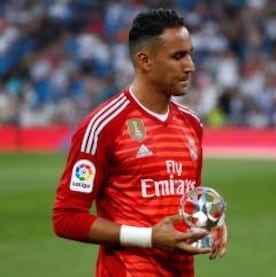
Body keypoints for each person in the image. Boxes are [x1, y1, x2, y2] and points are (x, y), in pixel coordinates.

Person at [52, 8, 227, 277]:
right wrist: (149, 237)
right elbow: (65, 218)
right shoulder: (104, 125)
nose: (190, 66)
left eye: (190, 54)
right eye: (178, 56)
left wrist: (210, 219)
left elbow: (184, 201)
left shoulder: (191, 124)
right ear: (145, 60)